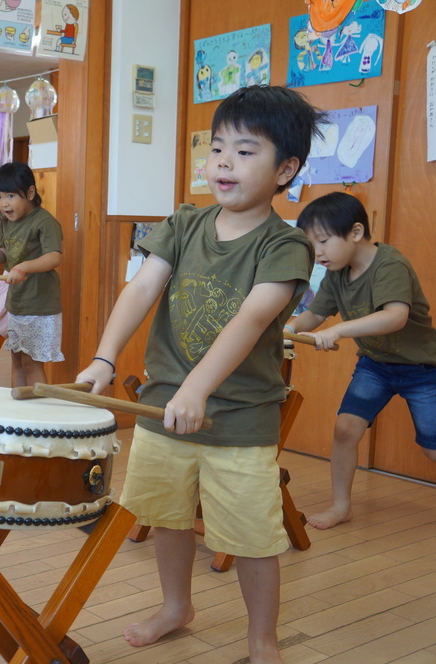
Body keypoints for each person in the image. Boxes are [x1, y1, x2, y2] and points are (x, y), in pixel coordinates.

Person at [75, 85, 324, 663]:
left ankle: (262, 638)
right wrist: (105, 359)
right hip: (163, 408)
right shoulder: (184, 223)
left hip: (239, 420)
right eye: (216, 150)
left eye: (244, 151)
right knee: (166, 516)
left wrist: (197, 388)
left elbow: (251, 317)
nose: (223, 164)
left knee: (253, 538)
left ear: (286, 168)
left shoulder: (286, 245)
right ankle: (175, 606)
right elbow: (141, 288)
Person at [287, 192, 436, 530]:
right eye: (312, 245)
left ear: (355, 232)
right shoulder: (337, 273)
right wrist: (288, 328)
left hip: (422, 369)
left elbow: (394, 317)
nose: (318, 253)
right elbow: (314, 314)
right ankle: (341, 506)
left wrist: (340, 331)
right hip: (376, 366)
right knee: (345, 431)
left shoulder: (390, 264)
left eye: (323, 242)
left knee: (433, 450)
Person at [0, 162, 63, 387]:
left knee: (32, 363)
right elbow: (4, 252)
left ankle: (38, 417)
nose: (4, 203)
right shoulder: (6, 223)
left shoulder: (45, 222)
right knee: (17, 360)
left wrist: (23, 267)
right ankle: (18, 411)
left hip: (40, 305)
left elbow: (54, 257)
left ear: (31, 193)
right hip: (17, 303)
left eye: (11, 195)